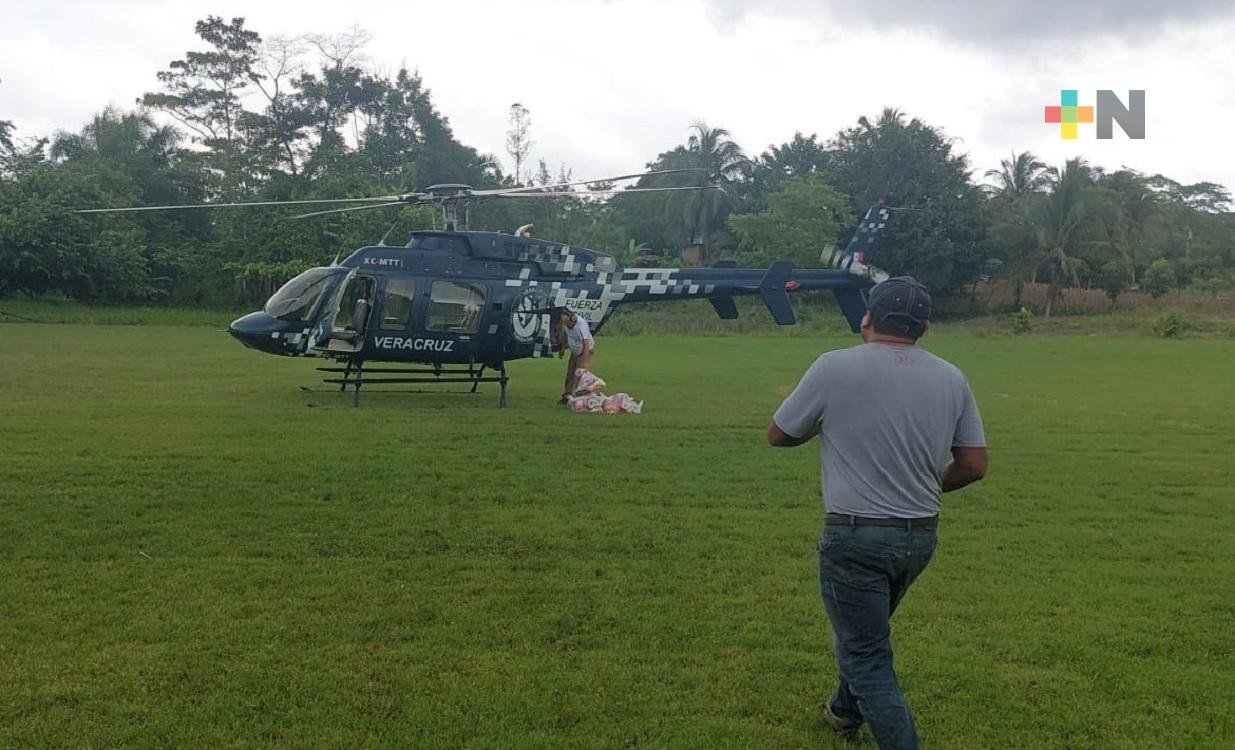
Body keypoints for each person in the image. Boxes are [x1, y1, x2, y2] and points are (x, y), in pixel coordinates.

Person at [767, 276, 988, 750]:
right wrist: (928, 484)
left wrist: (823, 425)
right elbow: (973, 465)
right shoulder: (952, 376)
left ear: (866, 317)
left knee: (866, 654)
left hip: (855, 536)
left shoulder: (833, 367)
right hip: (920, 536)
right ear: (925, 326)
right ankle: (843, 712)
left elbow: (779, 434)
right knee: (866, 633)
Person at [558, 307, 596, 403]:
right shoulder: (566, 323)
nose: (565, 324)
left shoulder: (581, 326)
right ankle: (567, 395)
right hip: (575, 351)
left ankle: (579, 398)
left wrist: (585, 362)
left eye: (566, 322)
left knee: (578, 374)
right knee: (570, 373)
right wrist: (562, 349)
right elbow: (565, 334)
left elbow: (586, 344)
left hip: (584, 350)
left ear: (572, 319)